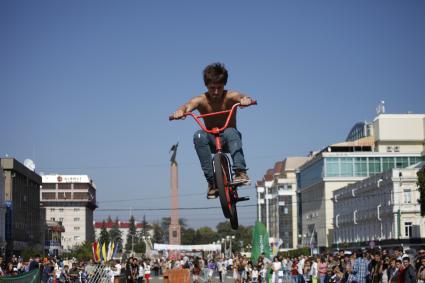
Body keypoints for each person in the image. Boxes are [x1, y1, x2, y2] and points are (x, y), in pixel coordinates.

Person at [171, 62, 255, 199]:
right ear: (206, 86)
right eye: (212, 88)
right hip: (210, 140)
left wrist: (245, 100)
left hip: (229, 140)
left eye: (219, 88)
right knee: (198, 135)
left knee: (230, 131)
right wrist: (180, 111)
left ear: (224, 85)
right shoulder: (201, 100)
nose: (216, 92)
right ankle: (212, 182)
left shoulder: (230, 96)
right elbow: (188, 106)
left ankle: (240, 172)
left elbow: (240, 97)